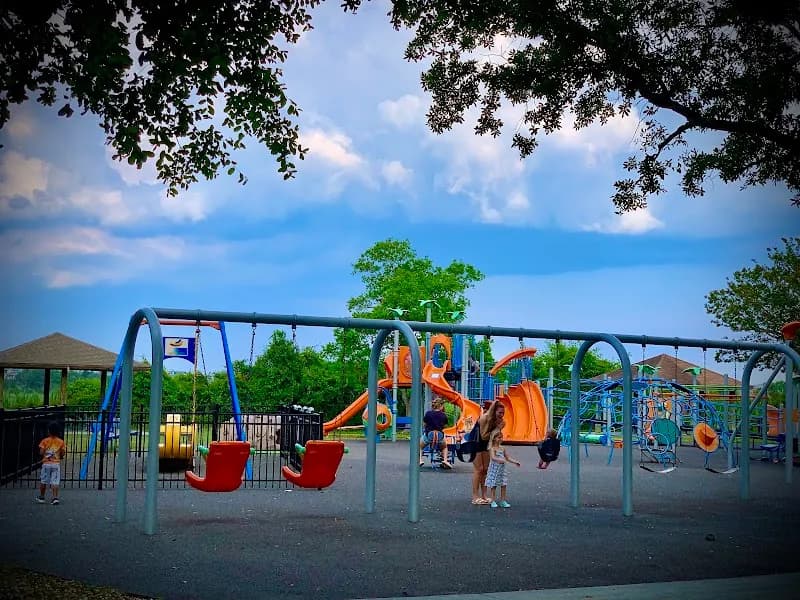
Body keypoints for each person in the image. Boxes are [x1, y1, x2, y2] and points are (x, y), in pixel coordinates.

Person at [472, 400, 506, 505]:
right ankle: (475, 496)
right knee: (479, 469)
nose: (502, 415)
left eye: (503, 413)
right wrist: (497, 428)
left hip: (486, 444)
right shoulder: (484, 418)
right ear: (494, 411)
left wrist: (499, 429)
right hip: (476, 441)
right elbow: (483, 436)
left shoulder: (499, 421)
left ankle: (484, 495)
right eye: (500, 412)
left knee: (486, 469)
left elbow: (495, 437)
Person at [485, 430, 521, 508]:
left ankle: (503, 500)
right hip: (494, 469)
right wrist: (500, 460)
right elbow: (493, 457)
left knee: (503, 484)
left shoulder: (502, 448)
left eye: (501, 437)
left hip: (502, 469)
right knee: (493, 485)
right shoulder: (492, 448)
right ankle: (493, 500)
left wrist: (515, 462)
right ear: (494, 438)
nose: (501, 439)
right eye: (499, 437)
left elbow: (507, 458)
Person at [36, 421, 66, 505]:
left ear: (48, 431)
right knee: (55, 481)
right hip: (56, 464)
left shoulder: (45, 441)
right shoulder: (61, 442)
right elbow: (63, 453)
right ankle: (55, 497)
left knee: (44, 480)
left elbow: (41, 452)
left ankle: (42, 497)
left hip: (46, 463)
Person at [419, 397, 452, 469]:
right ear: (441, 406)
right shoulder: (443, 415)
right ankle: (445, 460)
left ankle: (420, 460)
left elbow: (424, 424)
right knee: (445, 447)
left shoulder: (428, 413)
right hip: (440, 436)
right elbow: (445, 426)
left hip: (429, 435)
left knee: (419, 447)